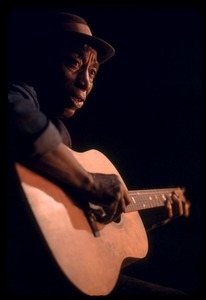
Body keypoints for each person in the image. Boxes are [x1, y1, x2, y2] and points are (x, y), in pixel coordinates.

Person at [8, 8, 191, 296]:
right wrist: (90, 182)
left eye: (92, 72)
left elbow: (77, 234)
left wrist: (142, 221)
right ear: (40, 60)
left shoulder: (60, 135)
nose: (86, 82)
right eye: (73, 63)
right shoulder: (17, 95)